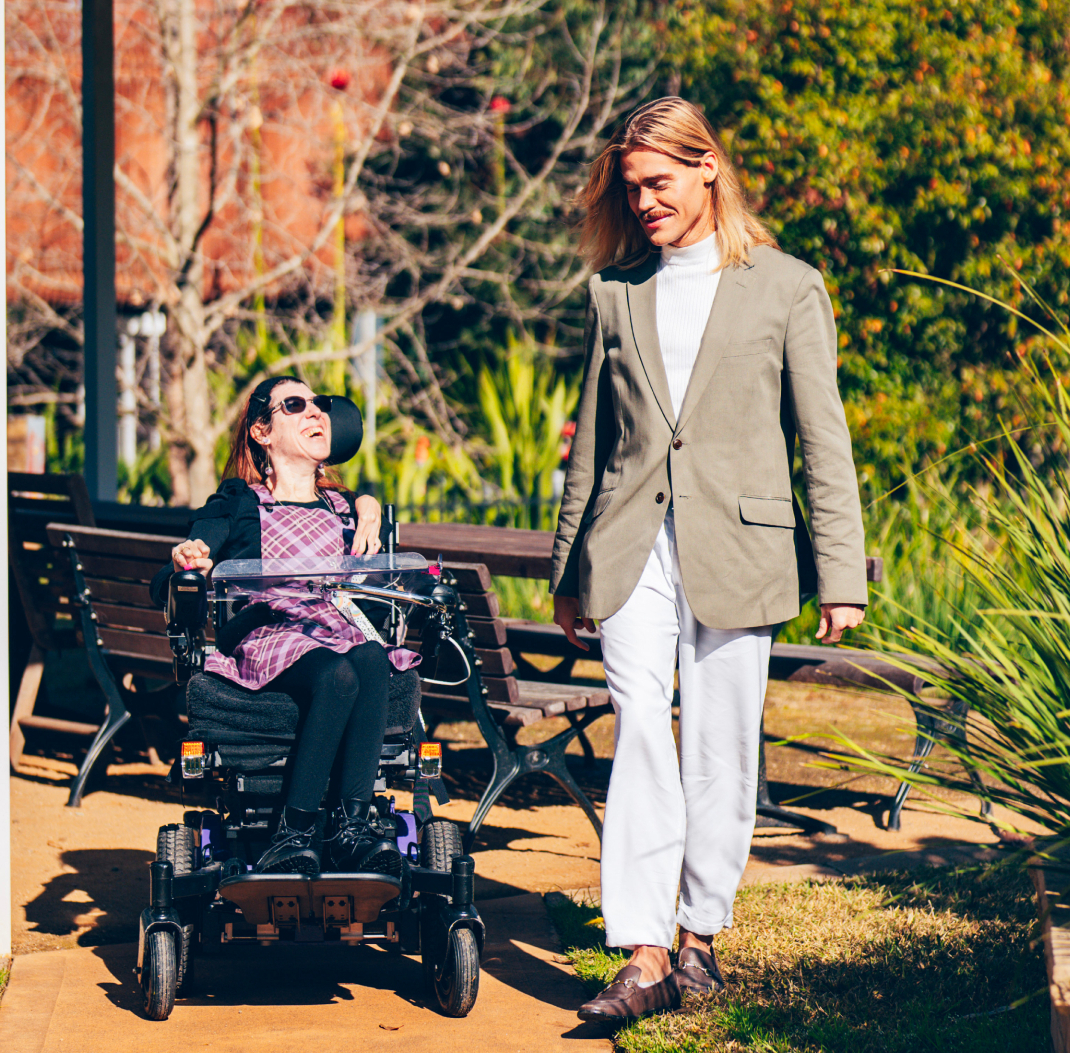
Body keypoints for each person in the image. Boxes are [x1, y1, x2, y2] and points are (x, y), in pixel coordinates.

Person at [550, 97, 868, 1021]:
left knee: (722, 743)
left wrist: (840, 574)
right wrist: (568, 570)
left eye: (658, 183)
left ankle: (699, 934)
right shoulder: (615, 291)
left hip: (744, 546)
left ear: (706, 168)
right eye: (631, 188)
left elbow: (824, 439)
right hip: (629, 545)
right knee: (641, 725)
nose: (644, 202)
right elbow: (591, 445)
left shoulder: (787, 286)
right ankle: (643, 950)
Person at [150, 376, 421, 877]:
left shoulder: (347, 509)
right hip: (270, 630)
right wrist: (189, 559)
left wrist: (368, 505)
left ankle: (352, 829)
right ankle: (292, 834)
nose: (315, 412)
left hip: (333, 627)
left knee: (371, 657)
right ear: (262, 432)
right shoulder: (239, 502)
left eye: (319, 404)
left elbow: (382, 582)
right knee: (338, 673)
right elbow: (175, 572)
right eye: (295, 405)